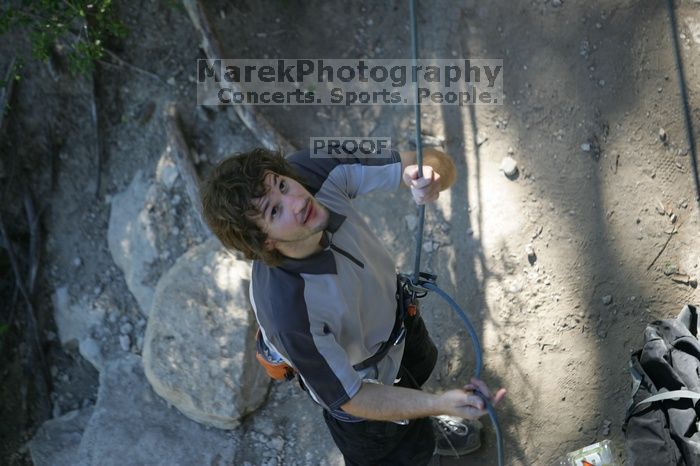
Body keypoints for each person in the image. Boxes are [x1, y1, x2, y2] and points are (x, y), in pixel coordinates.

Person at [201, 146, 506, 465]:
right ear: (264, 241)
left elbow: (427, 157)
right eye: (274, 211)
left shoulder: (311, 164)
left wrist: (432, 176)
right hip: (364, 389)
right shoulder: (287, 314)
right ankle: (417, 434)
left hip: (401, 320)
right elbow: (351, 397)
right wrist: (440, 403)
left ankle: (419, 422)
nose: (297, 200)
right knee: (394, 454)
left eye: (282, 185)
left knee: (422, 367)